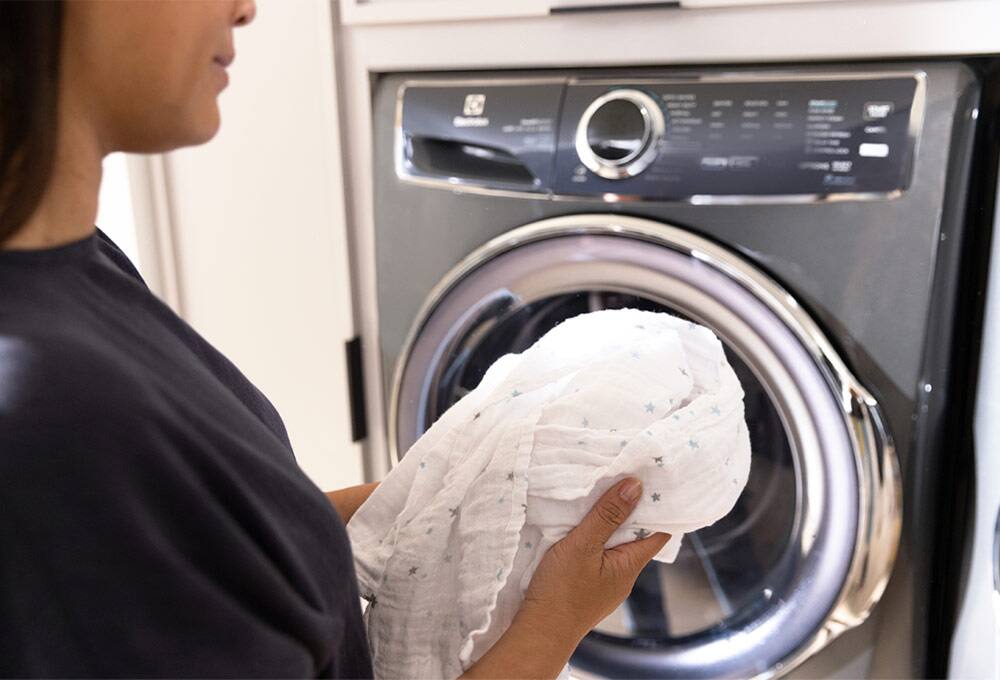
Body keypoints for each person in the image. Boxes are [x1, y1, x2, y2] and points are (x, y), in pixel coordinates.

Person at [0, 1, 670, 677]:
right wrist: (552, 625)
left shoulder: (76, 267)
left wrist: (461, 486)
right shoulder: (49, 412)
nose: (245, 9)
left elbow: (202, 548)